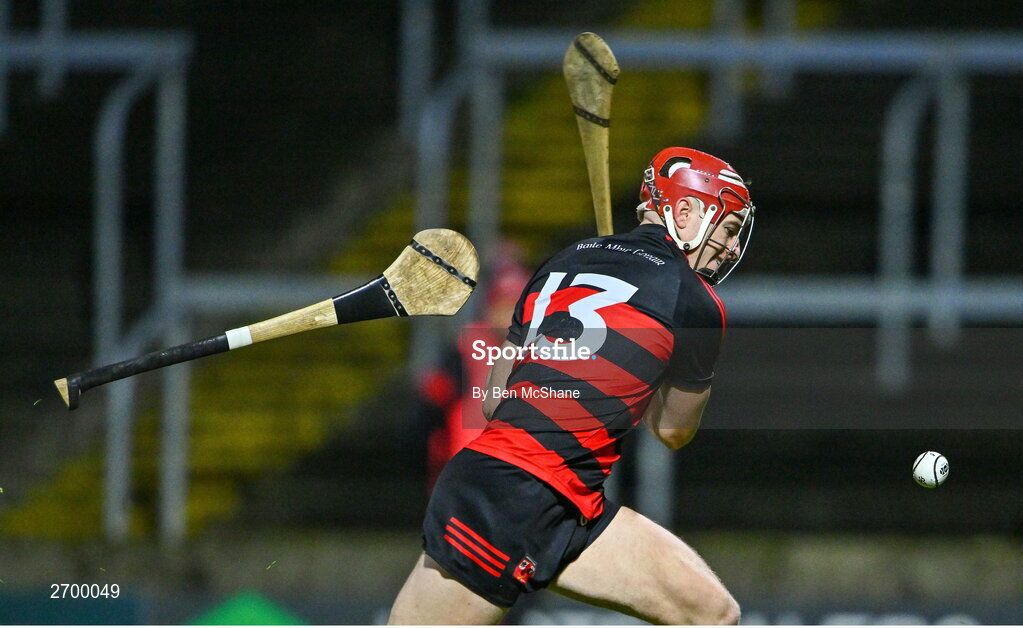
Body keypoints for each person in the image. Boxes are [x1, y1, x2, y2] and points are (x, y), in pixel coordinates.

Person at [388, 147, 755, 625]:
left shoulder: (562, 261)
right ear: (685, 212)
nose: (729, 248)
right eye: (728, 229)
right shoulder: (695, 301)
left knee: (711, 612)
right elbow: (673, 432)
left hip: (560, 499)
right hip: (516, 495)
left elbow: (496, 399)